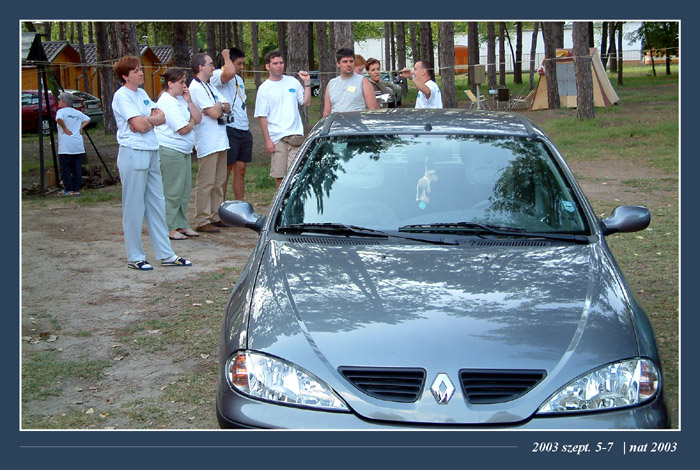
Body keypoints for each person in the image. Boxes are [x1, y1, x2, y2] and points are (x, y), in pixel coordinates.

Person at [111, 55, 192, 271]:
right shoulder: (122, 96)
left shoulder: (143, 94)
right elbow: (138, 124)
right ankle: (135, 256)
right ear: (125, 76)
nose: (141, 73)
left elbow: (161, 117)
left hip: (151, 150)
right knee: (134, 206)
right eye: (136, 70)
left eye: (140, 69)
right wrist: (145, 121)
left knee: (157, 203)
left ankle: (166, 254)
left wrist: (147, 121)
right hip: (133, 152)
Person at [154, 68, 202, 241]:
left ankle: (182, 223)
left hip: (184, 151)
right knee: (173, 190)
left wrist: (189, 101)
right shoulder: (167, 101)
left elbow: (198, 118)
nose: (184, 85)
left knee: (184, 189)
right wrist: (191, 122)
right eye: (181, 82)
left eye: (185, 82)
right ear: (170, 83)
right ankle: (170, 226)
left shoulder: (181, 99)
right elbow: (182, 128)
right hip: (170, 150)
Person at [254, 50, 311, 189]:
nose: (279, 66)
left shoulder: (292, 82)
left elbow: (306, 102)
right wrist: (267, 140)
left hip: (295, 136)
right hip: (277, 138)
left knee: (295, 174)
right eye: (275, 63)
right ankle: (281, 201)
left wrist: (307, 83)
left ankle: (294, 199)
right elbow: (262, 116)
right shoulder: (264, 89)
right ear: (268, 66)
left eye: (281, 63)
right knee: (280, 176)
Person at [188, 53, 231, 233]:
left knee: (219, 180)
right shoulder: (195, 88)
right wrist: (218, 107)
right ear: (201, 67)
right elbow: (214, 113)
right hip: (207, 141)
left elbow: (227, 105)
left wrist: (218, 106)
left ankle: (215, 215)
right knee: (206, 182)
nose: (214, 68)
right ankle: (202, 218)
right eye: (210, 64)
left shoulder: (209, 85)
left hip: (220, 140)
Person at [210, 47, 252, 201]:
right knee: (225, 170)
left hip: (243, 128)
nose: (242, 67)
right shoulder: (217, 74)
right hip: (230, 128)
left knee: (241, 170)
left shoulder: (239, 80)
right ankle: (219, 206)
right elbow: (228, 73)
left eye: (243, 63)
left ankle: (239, 205)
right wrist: (226, 57)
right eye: (239, 63)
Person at [322, 48, 377, 117]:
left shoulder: (363, 81)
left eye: (351, 61)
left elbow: (373, 109)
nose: (349, 64)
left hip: (357, 122)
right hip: (337, 122)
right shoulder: (331, 84)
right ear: (338, 64)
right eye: (345, 62)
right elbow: (326, 112)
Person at [55, 92, 90, 196]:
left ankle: (68, 189)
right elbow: (87, 119)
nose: (58, 102)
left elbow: (59, 119)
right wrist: (80, 127)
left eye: (59, 100)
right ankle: (76, 189)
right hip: (77, 144)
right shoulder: (77, 112)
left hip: (65, 144)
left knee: (65, 168)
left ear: (64, 102)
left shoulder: (61, 111)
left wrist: (65, 128)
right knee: (76, 168)